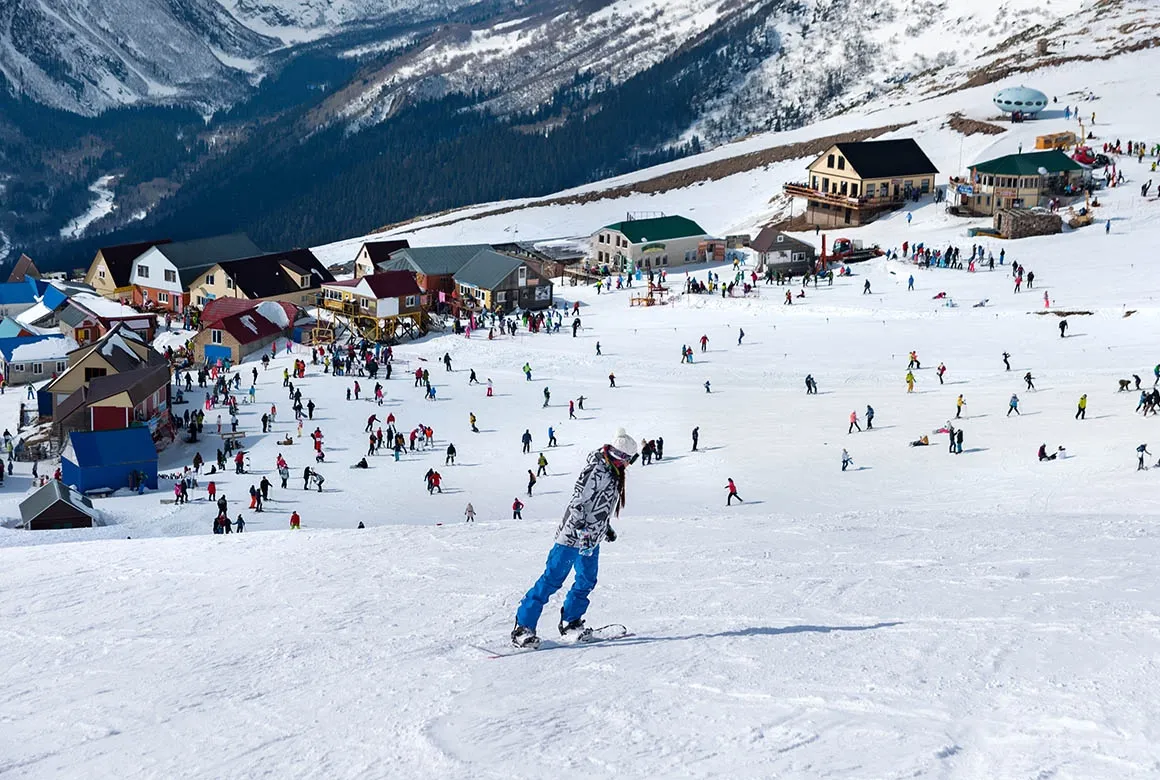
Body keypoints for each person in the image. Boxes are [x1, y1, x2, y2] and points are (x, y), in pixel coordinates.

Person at [511, 430, 638, 648]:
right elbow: (578, 500)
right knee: (552, 579)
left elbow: (599, 505)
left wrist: (604, 528)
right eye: (629, 460)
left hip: (591, 538)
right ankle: (523, 627)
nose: (629, 465)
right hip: (572, 537)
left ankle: (571, 622)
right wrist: (580, 528)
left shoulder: (612, 472)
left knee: (586, 580)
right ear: (621, 456)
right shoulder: (596, 469)